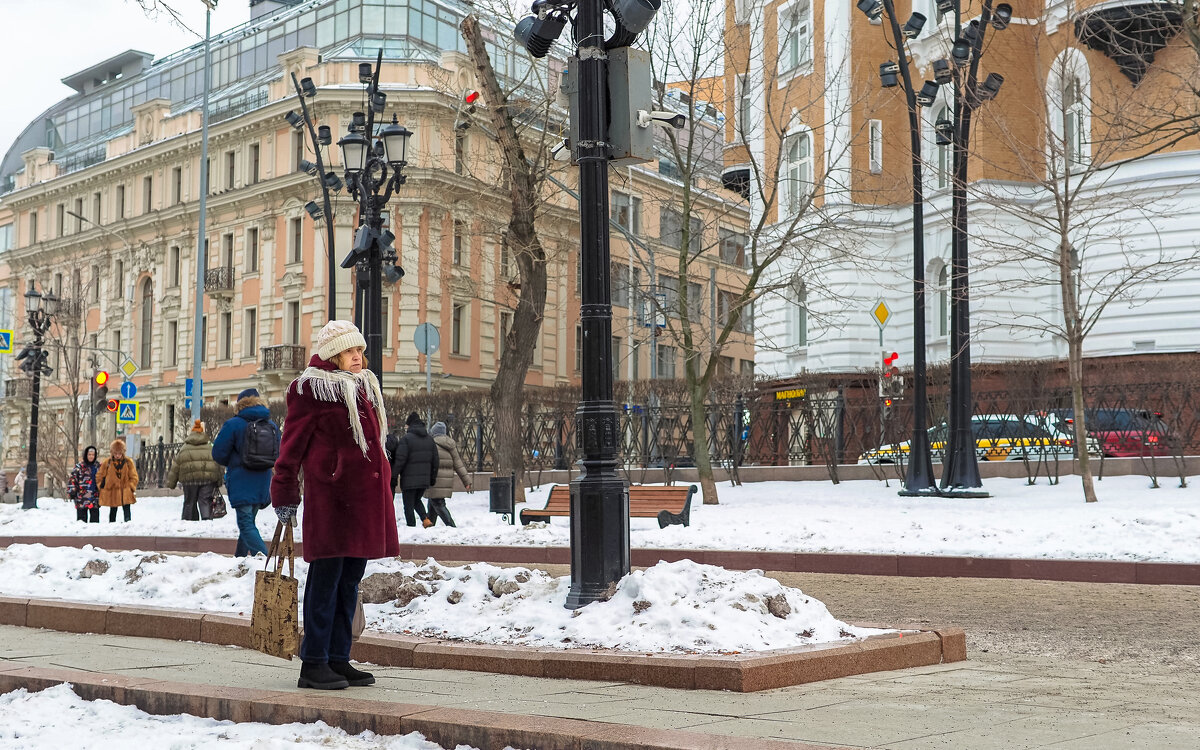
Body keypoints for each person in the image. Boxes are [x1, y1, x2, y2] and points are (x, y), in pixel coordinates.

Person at [272, 320, 398, 690]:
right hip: (331, 501)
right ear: (333, 355)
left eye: (359, 350)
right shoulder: (310, 389)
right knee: (325, 582)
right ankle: (313, 663)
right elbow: (290, 448)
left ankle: (338, 658)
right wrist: (284, 495)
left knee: (349, 582)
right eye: (349, 351)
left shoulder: (364, 387)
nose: (358, 357)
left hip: (362, 503)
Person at [213, 387, 278, 557]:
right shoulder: (271, 424)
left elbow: (218, 453)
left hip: (241, 480)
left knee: (246, 524)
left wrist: (233, 463)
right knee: (248, 522)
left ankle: (266, 562)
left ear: (239, 405)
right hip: (263, 480)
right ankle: (239, 559)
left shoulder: (234, 424)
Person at [167, 421, 225, 521]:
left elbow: (176, 466)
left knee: (189, 502)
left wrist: (171, 483)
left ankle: (189, 521)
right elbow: (217, 465)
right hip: (208, 480)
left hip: (189, 481)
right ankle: (206, 520)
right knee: (205, 501)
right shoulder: (210, 447)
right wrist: (219, 482)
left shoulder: (184, 449)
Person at [391, 412, 440, 528]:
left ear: (409, 425)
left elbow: (400, 460)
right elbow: (435, 461)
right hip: (424, 480)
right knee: (416, 500)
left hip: (409, 480)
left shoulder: (406, 439)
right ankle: (425, 519)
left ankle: (411, 526)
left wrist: (393, 476)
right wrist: (432, 478)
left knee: (408, 505)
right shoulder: (430, 440)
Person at [425, 421, 470, 527]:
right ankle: (429, 527)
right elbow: (458, 464)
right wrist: (467, 481)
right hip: (445, 482)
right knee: (433, 503)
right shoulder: (450, 445)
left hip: (434, 480)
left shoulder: (431, 444)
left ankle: (451, 527)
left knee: (438, 504)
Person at [97, 439, 138, 522]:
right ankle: (112, 527)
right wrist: (102, 486)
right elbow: (99, 475)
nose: (117, 455)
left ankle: (128, 526)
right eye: (115, 453)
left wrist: (130, 487)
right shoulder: (107, 462)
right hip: (113, 491)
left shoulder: (128, 462)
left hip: (125, 490)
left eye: (119, 453)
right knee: (113, 511)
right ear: (112, 453)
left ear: (123, 452)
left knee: (127, 510)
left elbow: (134, 476)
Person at [67, 446, 101, 523]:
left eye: (93, 455)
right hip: (81, 498)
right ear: (86, 455)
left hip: (94, 498)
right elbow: (73, 479)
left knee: (94, 522)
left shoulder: (98, 466)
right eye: (89, 454)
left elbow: (103, 479)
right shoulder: (79, 467)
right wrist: (72, 491)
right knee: (81, 523)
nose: (91, 456)